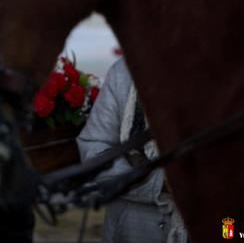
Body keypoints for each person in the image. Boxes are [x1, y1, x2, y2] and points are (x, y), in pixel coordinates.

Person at [76, 59, 188, 243]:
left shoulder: (234, 68)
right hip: (132, 229)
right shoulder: (125, 72)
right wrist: (160, 184)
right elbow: (93, 150)